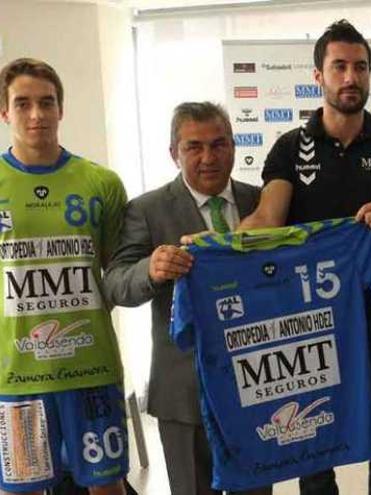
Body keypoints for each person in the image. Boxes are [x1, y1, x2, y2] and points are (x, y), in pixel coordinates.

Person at [238, 19, 371, 495]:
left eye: (360, 67)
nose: (350, 77)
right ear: (319, 75)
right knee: (313, 459)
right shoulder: (288, 148)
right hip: (308, 326)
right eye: (339, 66)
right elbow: (266, 221)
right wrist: (220, 243)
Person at [103, 102, 269, 495]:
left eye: (219, 144)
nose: (208, 158)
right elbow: (115, 283)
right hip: (183, 391)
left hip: (257, 383)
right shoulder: (147, 210)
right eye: (194, 147)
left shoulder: (262, 203)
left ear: (233, 145)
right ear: (173, 152)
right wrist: (151, 269)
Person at [0, 58, 128, 495]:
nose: (36, 114)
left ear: (61, 108)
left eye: (46, 102)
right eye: (22, 103)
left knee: (107, 486)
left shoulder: (101, 182)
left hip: (90, 369)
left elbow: (115, 274)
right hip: (16, 375)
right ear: (5, 112)